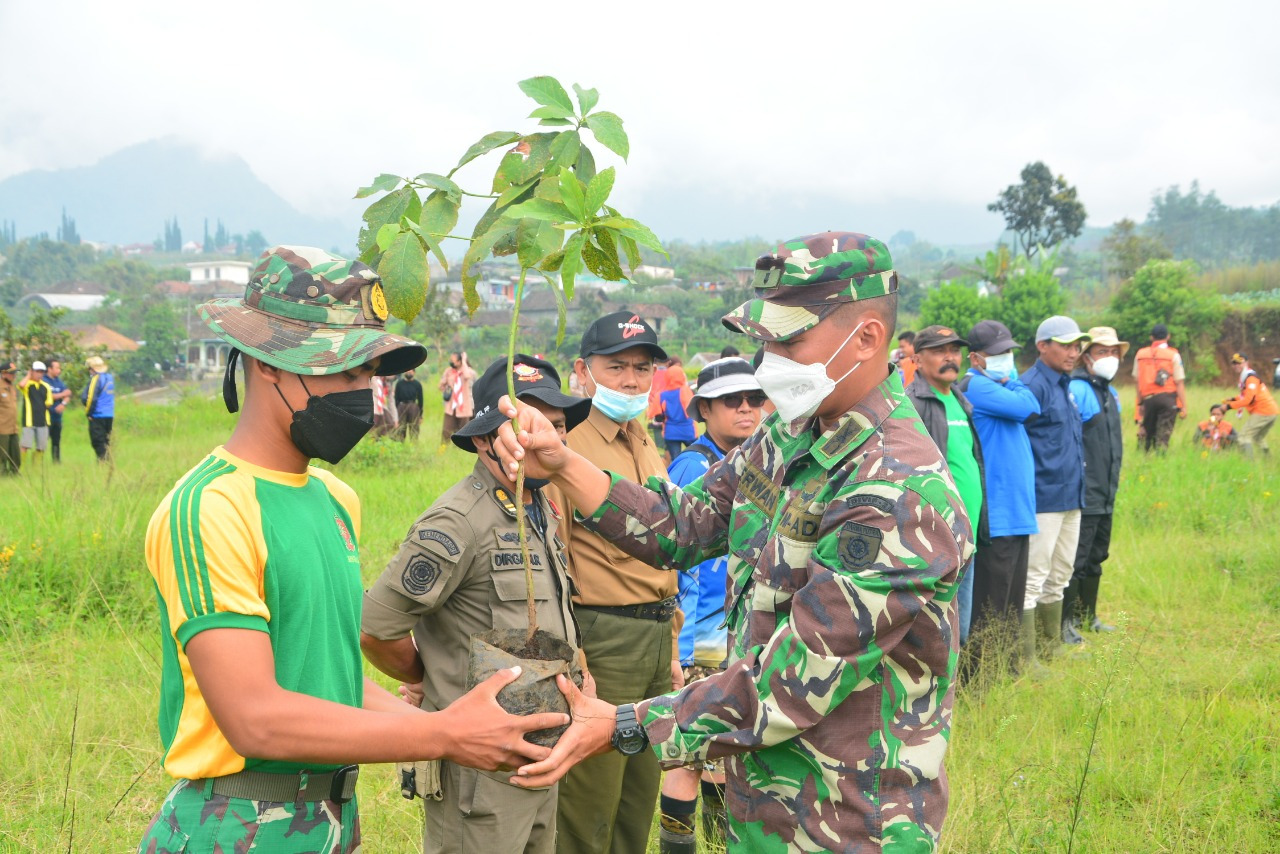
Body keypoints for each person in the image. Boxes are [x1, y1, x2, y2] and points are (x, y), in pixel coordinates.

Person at [498, 232, 972, 852]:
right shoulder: (792, 433)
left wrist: (620, 724)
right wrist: (562, 462)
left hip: (850, 820)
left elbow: (787, 684)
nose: (770, 359)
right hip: (764, 806)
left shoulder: (897, 492)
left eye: (790, 340)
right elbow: (685, 522)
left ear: (867, 340)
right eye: (766, 340)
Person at [137, 246, 566, 853]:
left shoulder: (334, 499)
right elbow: (254, 718)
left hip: (332, 818)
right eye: (342, 371)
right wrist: (443, 736)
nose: (362, 394)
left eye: (368, 374)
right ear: (269, 364)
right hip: (237, 824)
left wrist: (467, 730)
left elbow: (334, 679)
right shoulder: (211, 509)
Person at [361, 354, 591, 854]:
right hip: (480, 770)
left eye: (555, 426)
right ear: (487, 438)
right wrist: (428, 679)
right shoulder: (458, 521)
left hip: (541, 754)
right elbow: (377, 628)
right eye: (526, 425)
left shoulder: (539, 510)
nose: (544, 438)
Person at [553, 309, 674, 854]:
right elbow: (555, 555)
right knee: (590, 806)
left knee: (638, 799)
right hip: (603, 638)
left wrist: (670, 642)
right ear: (582, 370)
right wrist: (574, 656)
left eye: (642, 369)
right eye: (616, 366)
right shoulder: (568, 441)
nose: (630, 380)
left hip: (654, 635)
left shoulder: (642, 437)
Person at [658, 357, 765, 854]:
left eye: (754, 399)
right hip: (700, 637)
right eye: (731, 401)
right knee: (687, 757)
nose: (746, 409)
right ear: (703, 409)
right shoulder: (694, 466)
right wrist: (681, 654)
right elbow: (682, 567)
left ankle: (720, 845)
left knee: (722, 755)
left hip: (733, 634)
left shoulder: (758, 462)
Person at [959, 320, 1041, 676]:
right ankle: (979, 676)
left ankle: (1006, 669)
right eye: (998, 354)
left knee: (1011, 598)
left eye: (1009, 352)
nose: (1007, 359)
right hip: (998, 513)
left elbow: (1029, 402)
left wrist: (1014, 382)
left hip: (1018, 511)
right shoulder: (977, 387)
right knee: (990, 602)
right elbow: (1027, 408)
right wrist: (1015, 384)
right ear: (976, 358)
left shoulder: (1000, 385)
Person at [905, 325, 985, 647]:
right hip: (935, 539)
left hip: (968, 536)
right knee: (933, 632)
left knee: (958, 632)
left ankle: (950, 695)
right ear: (917, 360)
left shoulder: (961, 401)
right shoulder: (912, 404)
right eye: (939, 351)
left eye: (954, 350)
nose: (950, 357)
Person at [1020, 316, 1090, 661]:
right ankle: (1028, 656)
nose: (1073, 352)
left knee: (1061, 572)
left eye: (1077, 346)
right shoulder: (1032, 386)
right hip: (1043, 497)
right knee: (1034, 576)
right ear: (1042, 345)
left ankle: (1052, 647)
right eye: (1065, 345)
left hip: (1071, 496)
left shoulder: (1066, 384)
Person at [1062, 327, 1126, 643]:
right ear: (1086, 357)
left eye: (1114, 352)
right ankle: (1067, 622)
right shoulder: (1079, 389)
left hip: (1107, 490)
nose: (1109, 358)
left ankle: (1089, 617)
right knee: (1078, 558)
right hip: (1086, 490)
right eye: (1102, 352)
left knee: (1098, 556)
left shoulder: (1109, 392)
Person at [1132, 323, 1186, 452]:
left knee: (1147, 432)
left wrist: (1140, 403)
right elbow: (1179, 382)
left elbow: (1137, 380)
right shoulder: (1173, 355)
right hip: (1168, 399)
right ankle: (1160, 457)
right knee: (1163, 435)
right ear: (1168, 336)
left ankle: (1144, 456)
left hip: (1148, 399)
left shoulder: (1140, 354)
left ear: (1151, 337)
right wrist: (1183, 406)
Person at [1223, 352, 1278, 457]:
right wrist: (1233, 399)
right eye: (1234, 363)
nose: (1236, 365)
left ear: (1246, 363)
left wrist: (1228, 406)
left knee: (1243, 437)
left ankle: (1249, 463)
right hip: (1272, 411)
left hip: (1264, 411)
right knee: (1257, 438)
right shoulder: (1246, 376)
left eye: (1239, 363)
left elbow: (1248, 399)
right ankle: (1268, 460)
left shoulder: (1250, 378)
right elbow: (1247, 396)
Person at [439, 352, 478, 449]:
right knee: (446, 430)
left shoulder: (469, 372)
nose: (451, 362)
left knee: (463, 431)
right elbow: (440, 386)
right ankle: (443, 448)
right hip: (451, 407)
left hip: (464, 407)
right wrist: (446, 383)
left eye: (453, 360)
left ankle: (462, 450)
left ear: (460, 361)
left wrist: (464, 361)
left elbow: (467, 376)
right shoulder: (449, 371)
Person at [18, 361, 54, 463]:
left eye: (42, 372)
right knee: (25, 445)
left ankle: (36, 466)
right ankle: (21, 465)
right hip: (29, 420)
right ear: (32, 372)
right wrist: (28, 375)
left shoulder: (46, 386)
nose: (39, 374)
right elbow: (21, 385)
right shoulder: (27, 384)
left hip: (43, 420)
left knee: (41, 446)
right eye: (37, 371)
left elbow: (49, 403)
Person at [659, 364, 696, 460]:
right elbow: (691, 409)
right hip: (687, 431)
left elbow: (655, 414)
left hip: (671, 432)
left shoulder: (662, 395)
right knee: (696, 456)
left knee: (676, 460)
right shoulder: (685, 391)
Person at [82, 355, 115, 461]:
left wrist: (89, 413)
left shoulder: (96, 379)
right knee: (106, 440)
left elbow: (91, 398)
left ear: (92, 369)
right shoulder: (109, 378)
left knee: (97, 441)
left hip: (97, 415)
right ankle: (108, 461)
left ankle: (103, 463)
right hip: (109, 414)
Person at [45, 359, 71, 463]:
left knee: (56, 441)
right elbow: (48, 396)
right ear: (49, 369)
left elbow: (68, 393)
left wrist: (63, 403)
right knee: (43, 442)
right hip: (46, 417)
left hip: (57, 417)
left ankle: (56, 462)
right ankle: (38, 464)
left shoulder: (59, 381)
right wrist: (61, 395)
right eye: (57, 368)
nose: (59, 370)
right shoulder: (44, 380)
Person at [0, 361, 19, 474]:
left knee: (15, 455)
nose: (14, 375)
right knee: (2, 455)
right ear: (3, 373)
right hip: (2, 428)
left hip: (13, 427)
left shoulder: (12, 387)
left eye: (15, 373)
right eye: (11, 373)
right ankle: (2, 474)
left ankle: (14, 473)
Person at [395, 368, 425, 441]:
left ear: (414, 372)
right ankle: (400, 445)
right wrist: (396, 411)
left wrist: (420, 415)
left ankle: (414, 446)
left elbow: (420, 400)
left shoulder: (417, 384)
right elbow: (396, 398)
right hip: (401, 407)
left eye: (411, 371)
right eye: (407, 370)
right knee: (401, 428)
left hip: (413, 407)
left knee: (414, 428)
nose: (409, 372)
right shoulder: (399, 384)